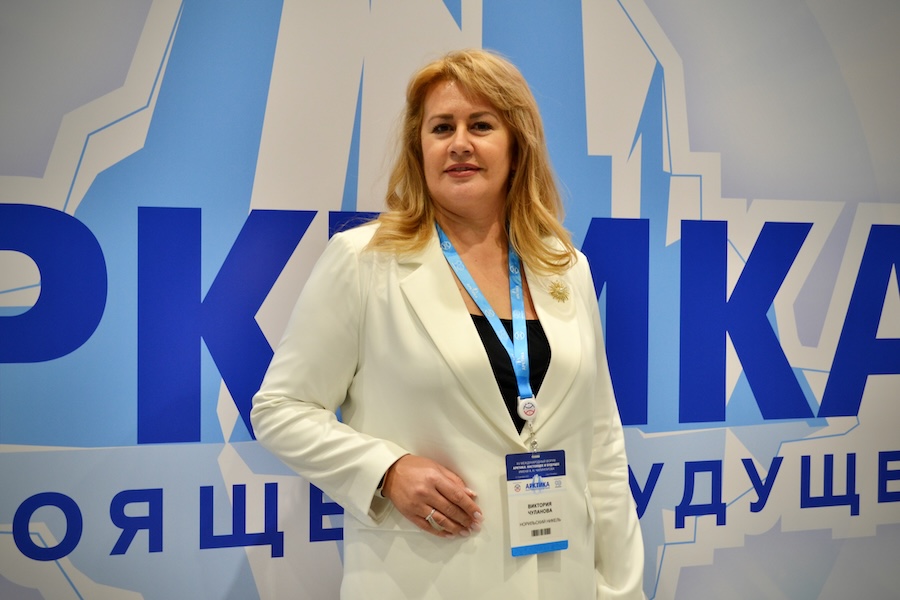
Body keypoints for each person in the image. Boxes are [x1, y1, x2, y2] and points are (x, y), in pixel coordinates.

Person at [251, 48, 645, 599]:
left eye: (480, 125)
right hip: (425, 580)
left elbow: (601, 442)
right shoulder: (363, 261)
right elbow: (280, 409)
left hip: (561, 580)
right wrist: (386, 470)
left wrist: (621, 588)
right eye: (442, 128)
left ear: (517, 145)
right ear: (420, 149)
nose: (459, 143)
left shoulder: (565, 267)